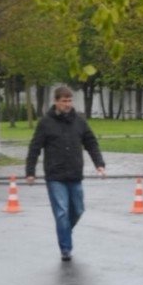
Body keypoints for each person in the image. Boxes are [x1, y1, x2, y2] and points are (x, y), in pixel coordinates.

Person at [25, 86, 105, 262]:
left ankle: (64, 231)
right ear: (56, 102)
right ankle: (66, 249)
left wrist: (99, 164)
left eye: (69, 101)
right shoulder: (46, 123)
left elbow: (91, 143)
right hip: (55, 176)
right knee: (62, 212)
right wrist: (30, 171)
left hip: (75, 174)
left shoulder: (79, 121)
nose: (67, 104)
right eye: (64, 101)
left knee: (78, 209)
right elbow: (35, 147)